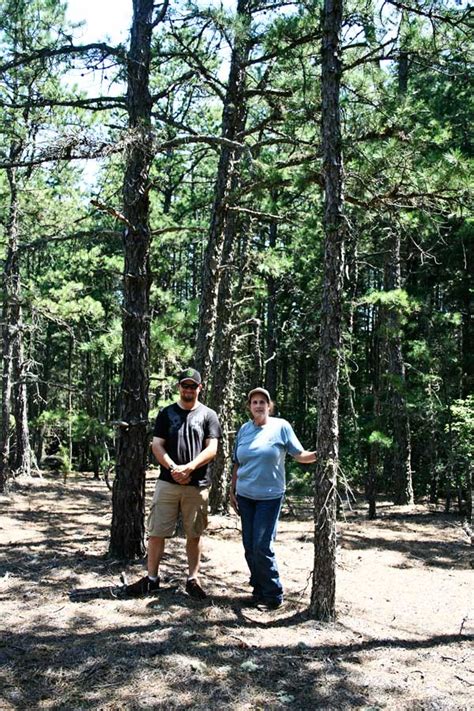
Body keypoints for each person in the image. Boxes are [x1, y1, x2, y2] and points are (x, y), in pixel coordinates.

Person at [125, 368, 221, 600]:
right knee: (157, 531)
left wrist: (190, 467)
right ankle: (151, 579)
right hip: (168, 482)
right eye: (184, 385)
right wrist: (173, 468)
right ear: (179, 387)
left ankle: (193, 579)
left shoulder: (209, 415)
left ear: (200, 388)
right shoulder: (166, 413)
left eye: (192, 386)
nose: (188, 390)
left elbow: (212, 448)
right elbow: (157, 445)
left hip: (197, 484)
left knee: (194, 533)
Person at [230, 387, 316, 609]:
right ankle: (258, 590)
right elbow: (237, 462)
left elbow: (299, 455)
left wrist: (322, 453)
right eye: (254, 402)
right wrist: (232, 489)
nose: (258, 405)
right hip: (245, 496)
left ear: (269, 406)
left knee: (262, 546)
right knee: (249, 546)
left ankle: (274, 595)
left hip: (270, 497)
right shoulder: (244, 430)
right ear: (249, 407)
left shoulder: (281, 427)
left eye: (262, 402)